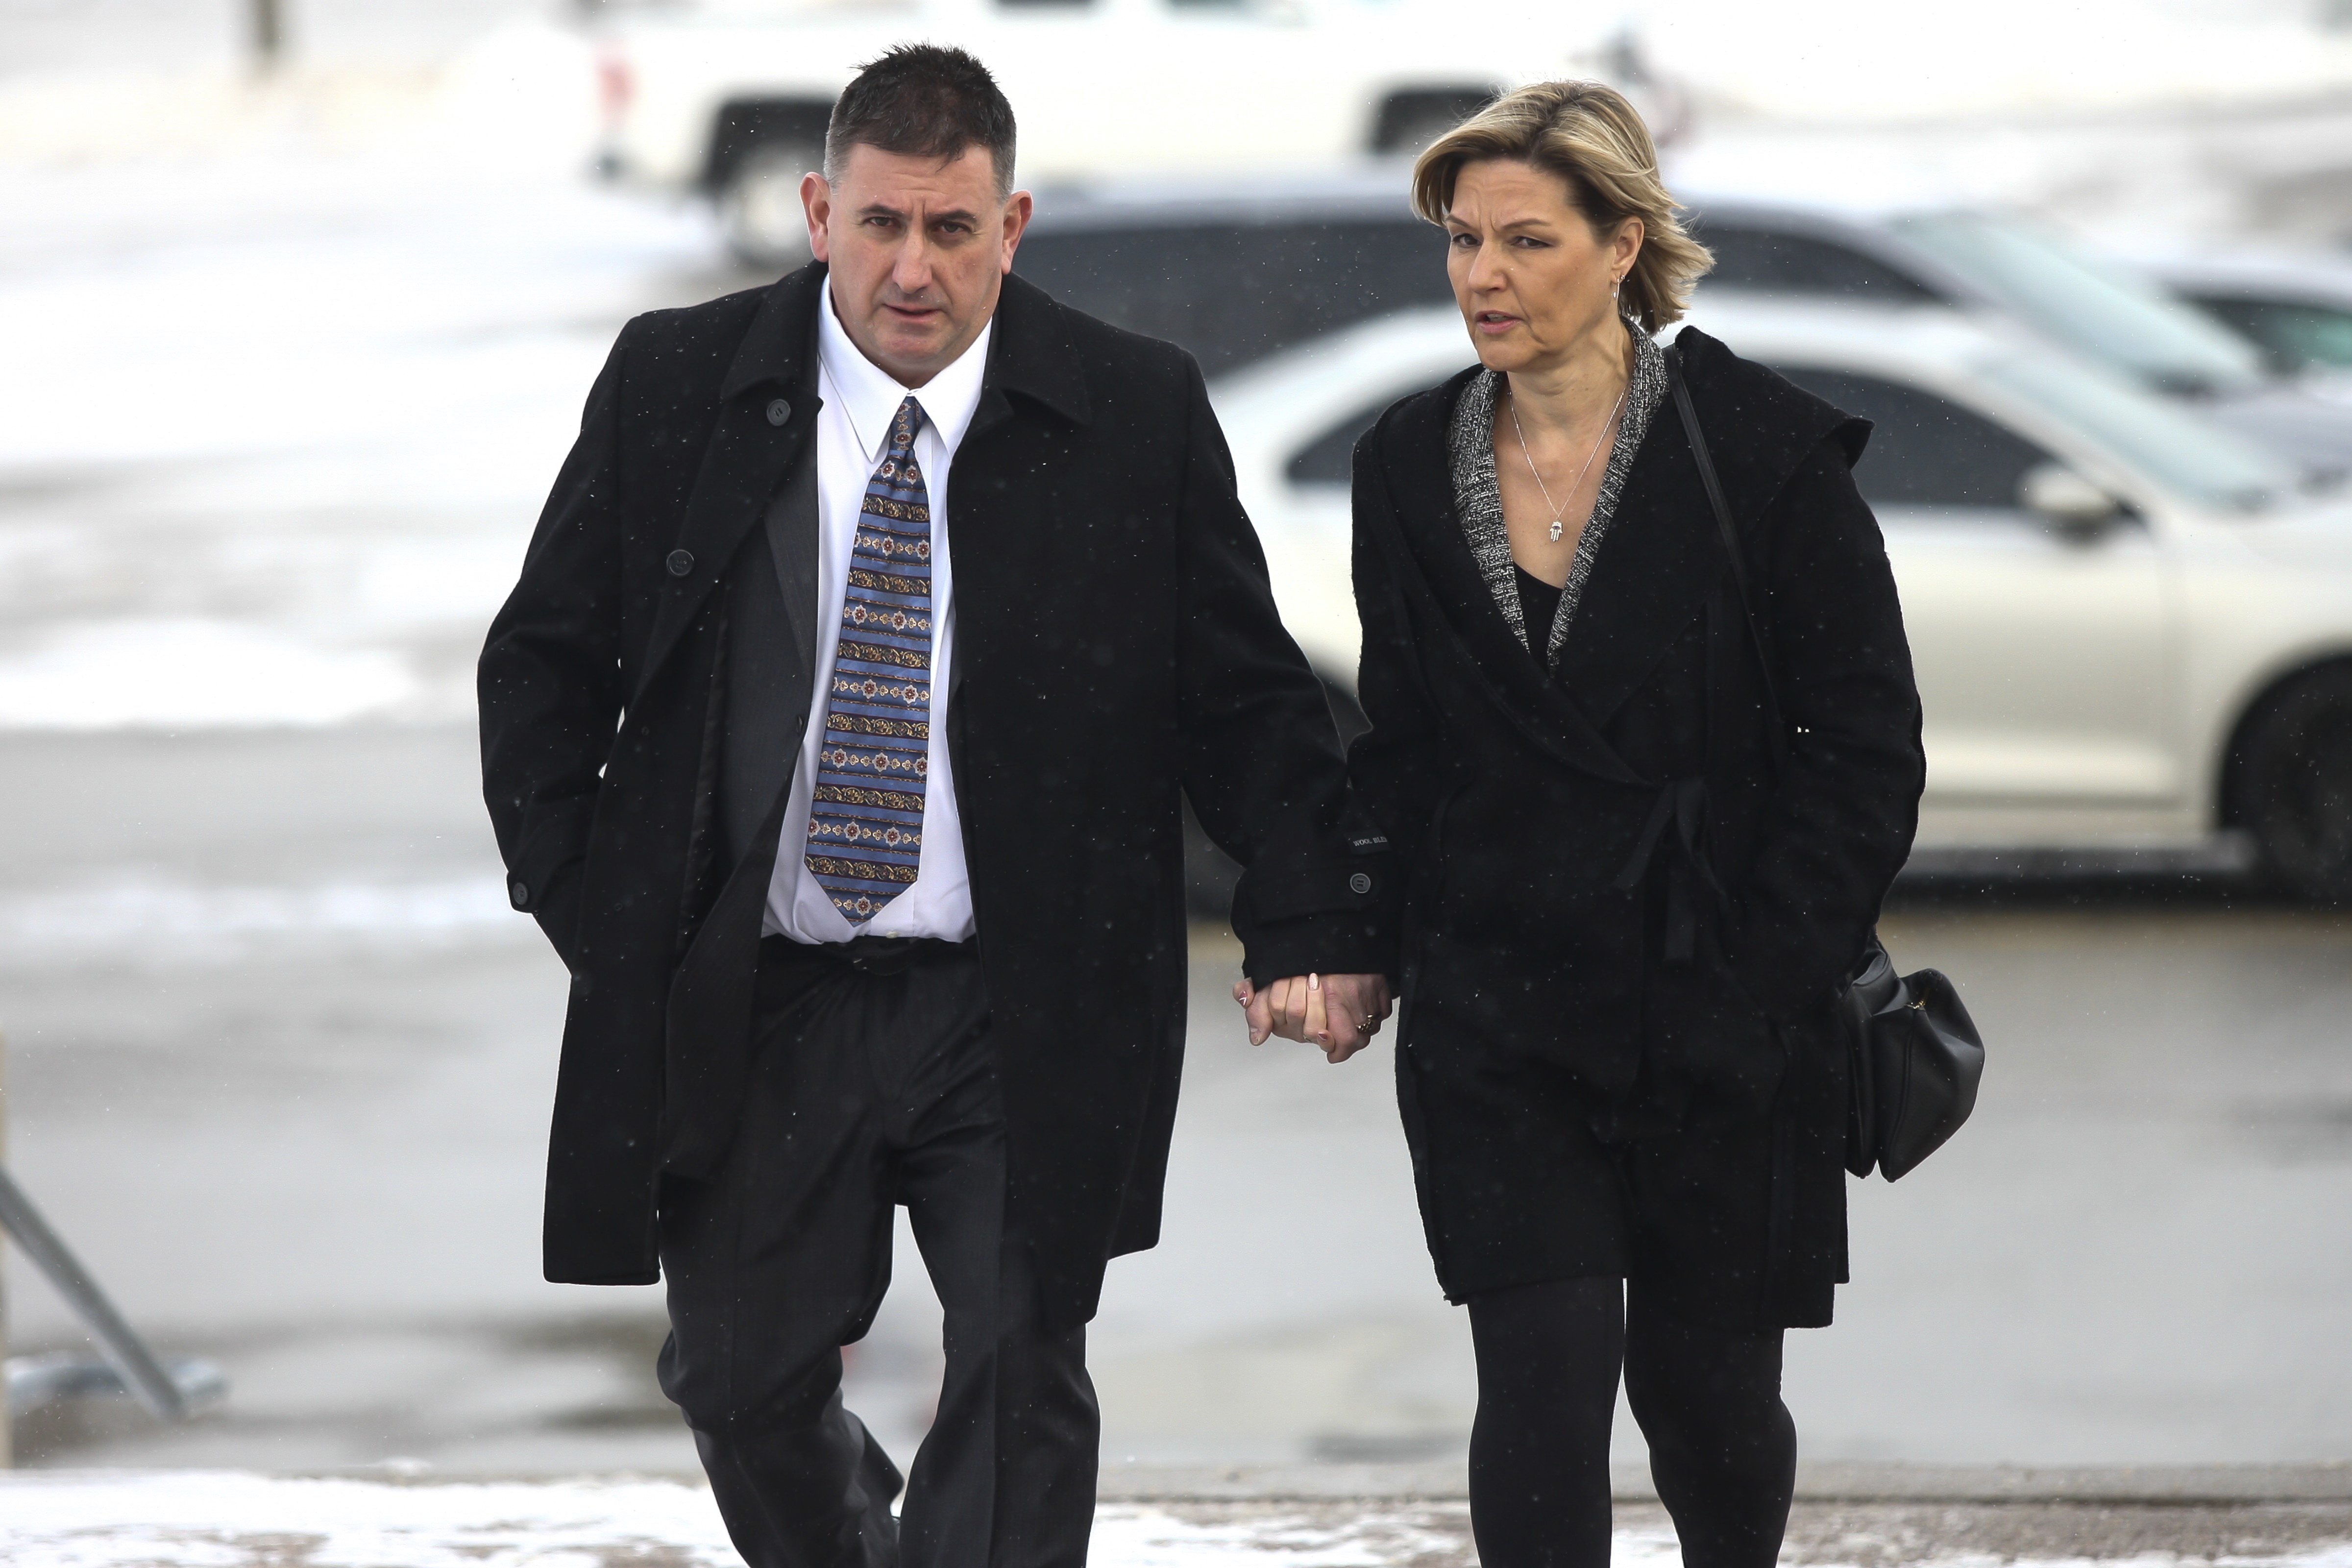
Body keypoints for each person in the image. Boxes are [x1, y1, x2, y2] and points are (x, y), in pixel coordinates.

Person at [479, 45, 1391, 1568]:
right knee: (741, 1381)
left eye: (953, 230)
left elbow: (1240, 697)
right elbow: (545, 667)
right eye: (884, 224)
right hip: (766, 996)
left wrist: (1315, 913)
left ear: (1012, 227)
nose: (916, 267)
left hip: (1018, 997)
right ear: (818, 209)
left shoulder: (1131, 412)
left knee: (1022, 1369)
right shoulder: (680, 385)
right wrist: (602, 912)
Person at [1344, 82, 1926, 1568]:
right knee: (1535, 1398)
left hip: (1717, 1010)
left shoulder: (1761, 452)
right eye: (1463, 239)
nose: (1482, 274)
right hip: (1499, 1013)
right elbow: (1401, 747)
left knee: (1707, 1405)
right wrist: (1347, 936)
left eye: (1527, 240)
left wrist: (1763, 972)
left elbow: (1862, 752)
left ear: (1624, 246)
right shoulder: (1407, 462)